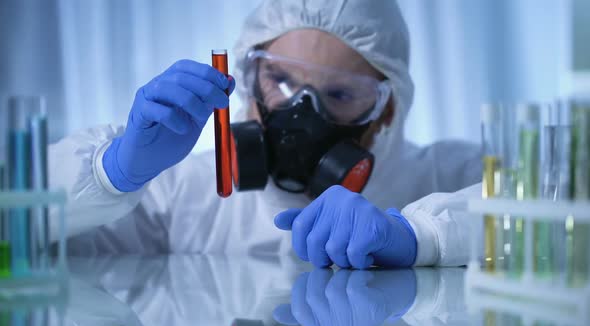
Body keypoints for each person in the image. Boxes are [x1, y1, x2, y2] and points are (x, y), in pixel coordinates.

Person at [50, 0, 481, 268]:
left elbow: (542, 202)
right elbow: (16, 234)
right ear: (245, 78)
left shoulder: (442, 178)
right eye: (281, 81)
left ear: (387, 109)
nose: (303, 112)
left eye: (341, 93)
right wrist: (110, 175)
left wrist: (422, 236)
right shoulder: (184, 194)